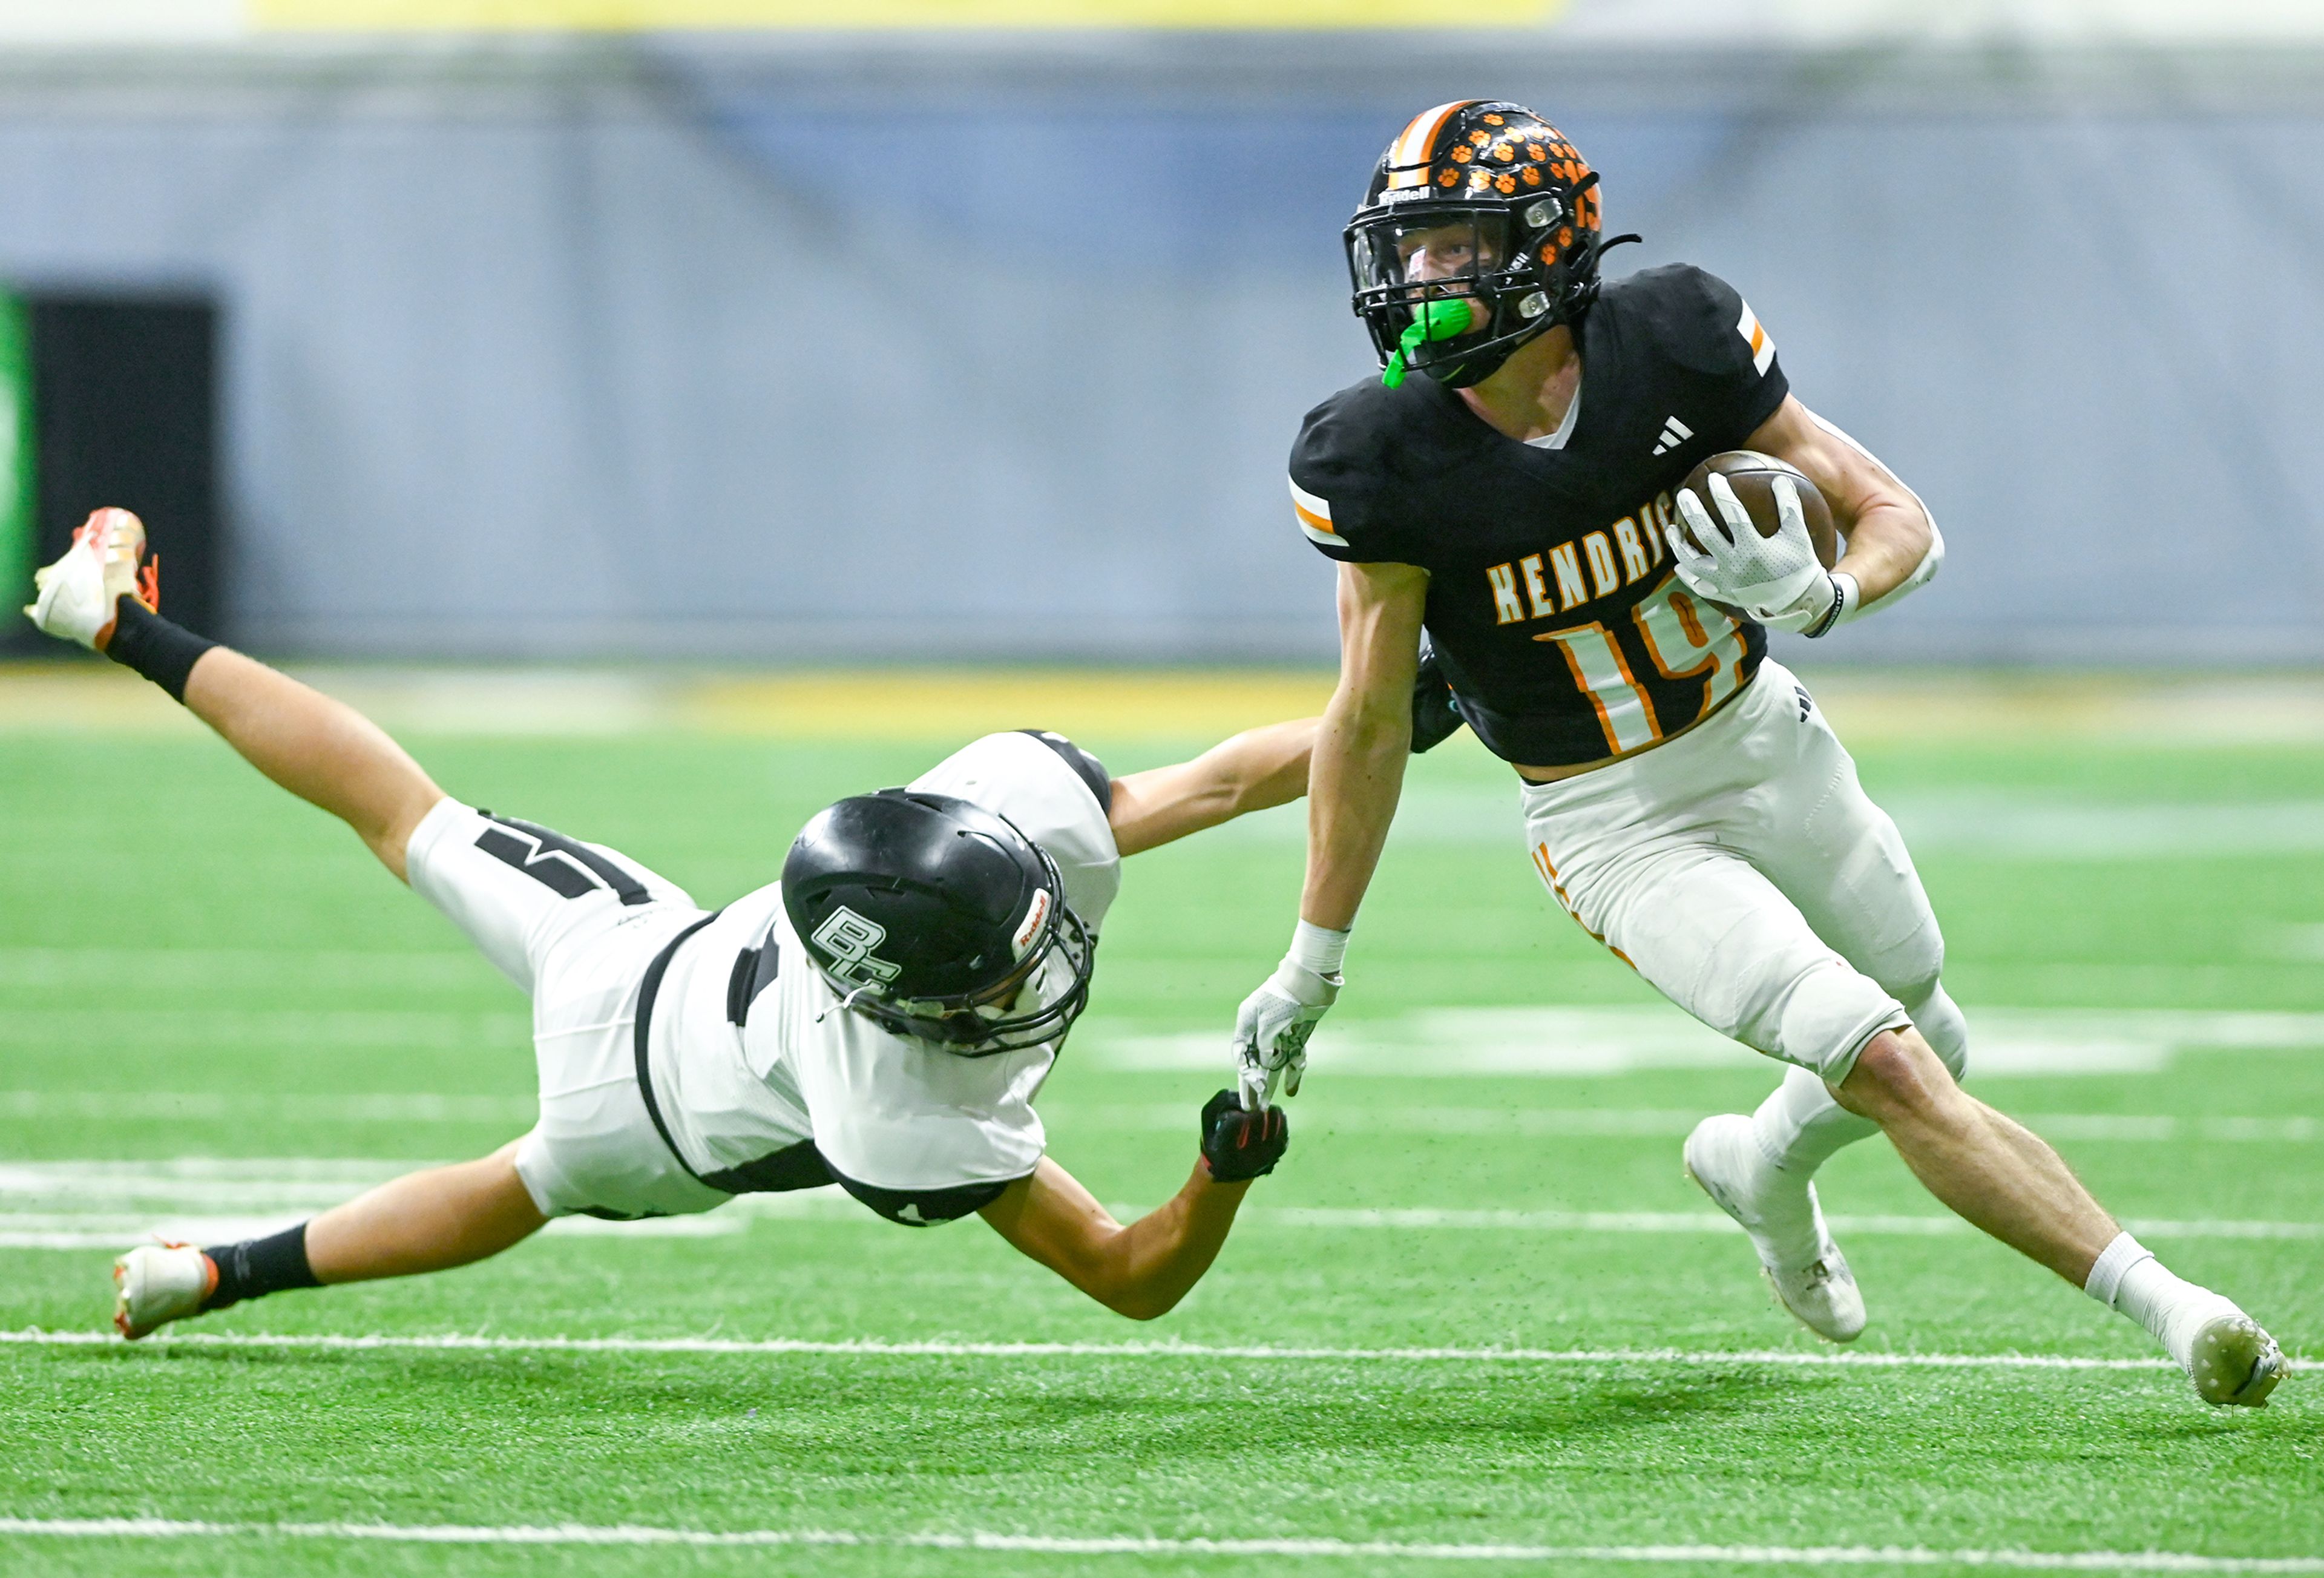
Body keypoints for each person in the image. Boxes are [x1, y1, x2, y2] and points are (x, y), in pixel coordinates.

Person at [1230, 100, 2282, 1405]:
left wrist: (1824, 596)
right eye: (1414, 251)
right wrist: (1310, 960)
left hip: (1764, 735)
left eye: (1461, 246)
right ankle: (2180, 1312)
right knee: (1883, 1053)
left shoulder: (1672, 334)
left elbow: (1896, 516)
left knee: (1930, 1026)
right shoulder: (1376, 448)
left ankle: (1762, 1168)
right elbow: (1370, 720)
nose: (1427, 282)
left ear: (1556, 243)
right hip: (1614, 820)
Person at [25, 509, 1305, 1340]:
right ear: (905, 999)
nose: (1035, 962)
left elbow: (1231, 780)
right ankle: (222, 1273)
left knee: (397, 808)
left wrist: (1395, 708)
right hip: (642, 1127)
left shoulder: (960, 854)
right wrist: (1221, 1173)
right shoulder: (896, 1107)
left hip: (626, 949)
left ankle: (127, 624)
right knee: (526, 1180)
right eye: (994, 968)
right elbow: (1132, 1272)